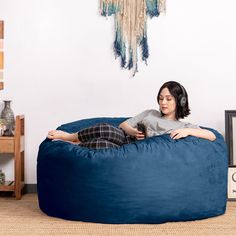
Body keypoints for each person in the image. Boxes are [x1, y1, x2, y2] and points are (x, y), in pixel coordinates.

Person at [47, 81, 216, 149]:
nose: (163, 103)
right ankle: (71, 136)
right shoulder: (151, 113)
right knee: (106, 129)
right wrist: (133, 132)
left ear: (180, 101)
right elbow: (123, 125)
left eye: (168, 99)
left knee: (102, 145)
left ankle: (75, 146)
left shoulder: (183, 127)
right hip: (124, 137)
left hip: (131, 149)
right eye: (160, 98)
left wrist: (189, 132)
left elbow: (212, 136)